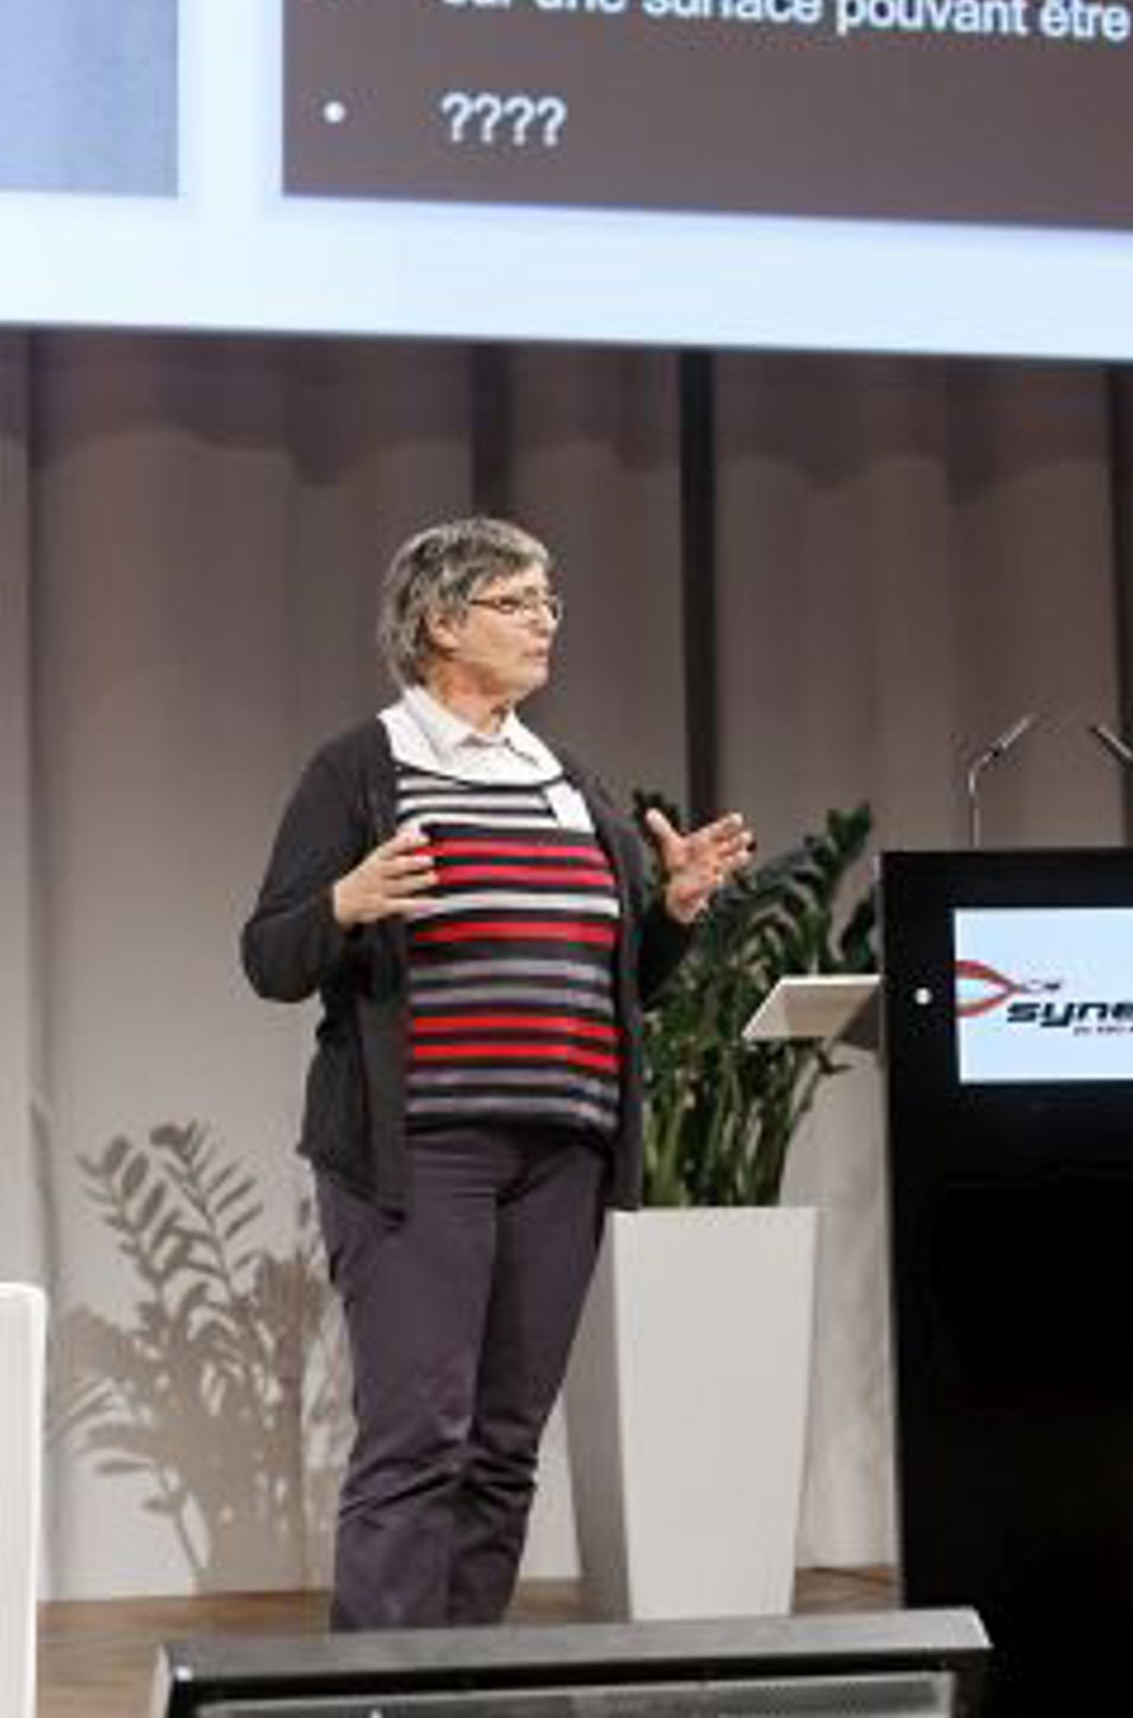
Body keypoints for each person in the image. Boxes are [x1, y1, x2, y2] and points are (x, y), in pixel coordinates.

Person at [241, 514, 752, 1631]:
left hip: (562, 1154)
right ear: (439, 621)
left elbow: (619, 980)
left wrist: (670, 912)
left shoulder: (564, 778)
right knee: (418, 1438)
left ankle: (465, 1677)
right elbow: (269, 955)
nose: (545, 622)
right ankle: (380, 1695)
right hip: (422, 1152)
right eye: (517, 602)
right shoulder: (364, 767)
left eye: (549, 601)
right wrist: (342, 903)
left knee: (504, 1445)